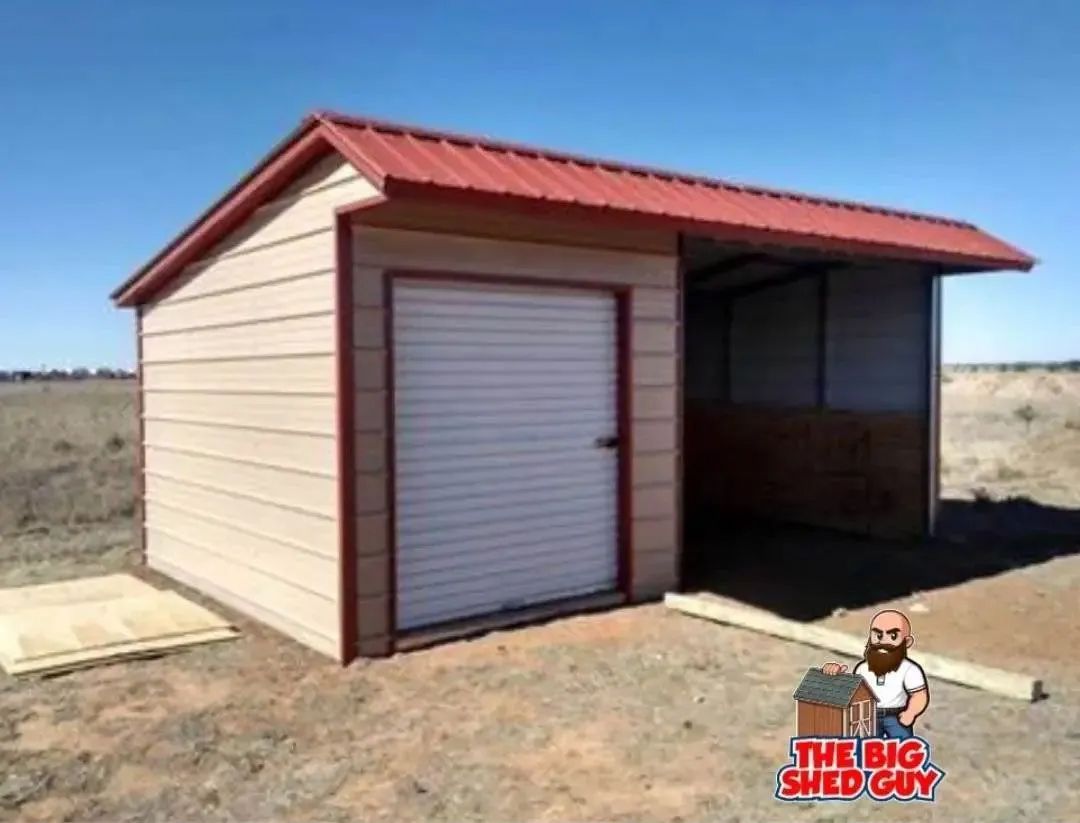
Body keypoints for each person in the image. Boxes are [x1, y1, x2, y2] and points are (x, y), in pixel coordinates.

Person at [821, 609, 929, 739]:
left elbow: (919, 695)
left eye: (893, 636)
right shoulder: (863, 668)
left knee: (903, 749)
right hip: (868, 715)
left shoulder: (909, 669)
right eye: (878, 636)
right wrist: (835, 675)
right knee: (864, 750)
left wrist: (910, 713)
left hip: (896, 717)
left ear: (907, 643)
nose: (883, 642)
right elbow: (853, 693)